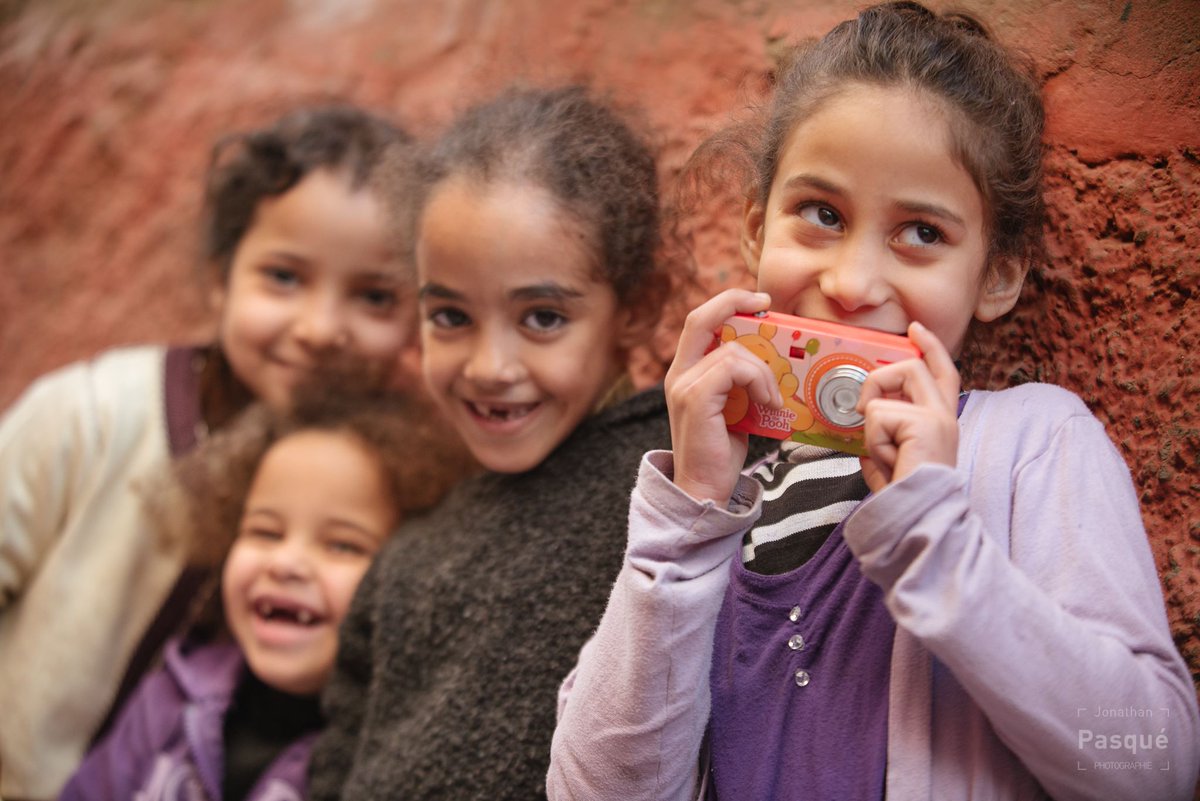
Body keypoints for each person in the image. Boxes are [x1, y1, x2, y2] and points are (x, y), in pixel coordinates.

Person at [548, 4, 1200, 801]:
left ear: (997, 275)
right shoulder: (716, 493)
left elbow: (1152, 769)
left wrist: (936, 535)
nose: (852, 284)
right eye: (821, 215)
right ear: (757, 232)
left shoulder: (1034, 443)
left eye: (921, 232)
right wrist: (686, 520)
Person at [0, 105, 413, 800]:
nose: (319, 328)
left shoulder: (393, 478)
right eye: (283, 277)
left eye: (375, 295)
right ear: (221, 278)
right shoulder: (91, 416)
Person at [306, 85, 706, 800]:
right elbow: (339, 756)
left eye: (543, 317)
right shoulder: (409, 558)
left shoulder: (679, 487)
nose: (491, 366)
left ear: (637, 305)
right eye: (451, 315)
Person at [58, 388, 470, 801]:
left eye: (342, 545)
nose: (285, 563)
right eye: (265, 532)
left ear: (415, 573)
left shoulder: (389, 756)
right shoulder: (170, 698)